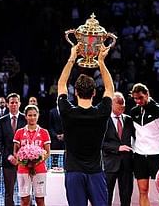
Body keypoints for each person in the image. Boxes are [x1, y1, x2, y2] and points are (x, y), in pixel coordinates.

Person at [57, 43, 114, 206]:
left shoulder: (67, 111)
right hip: (96, 172)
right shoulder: (102, 112)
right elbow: (110, 88)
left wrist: (72, 58)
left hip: (73, 172)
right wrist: (101, 62)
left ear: (74, 92)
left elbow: (61, 85)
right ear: (95, 93)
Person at [130, 83, 159, 206]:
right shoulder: (133, 112)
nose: (138, 101)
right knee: (142, 191)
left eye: (140, 98)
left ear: (147, 94)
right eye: (135, 98)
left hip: (157, 156)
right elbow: (134, 135)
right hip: (140, 157)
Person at [13, 104, 51, 206]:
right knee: (25, 200)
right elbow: (15, 152)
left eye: (34, 115)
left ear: (38, 115)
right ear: (25, 116)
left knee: (40, 200)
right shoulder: (19, 132)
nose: (32, 117)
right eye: (30, 115)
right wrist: (25, 163)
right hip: (23, 170)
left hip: (39, 170)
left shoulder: (44, 132)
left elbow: (47, 152)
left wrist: (35, 162)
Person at [102, 92, 134, 206]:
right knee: (107, 196)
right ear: (111, 104)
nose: (122, 105)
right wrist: (117, 148)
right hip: (110, 164)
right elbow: (101, 143)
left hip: (127, 164)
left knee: (126, 197)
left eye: (123, 102)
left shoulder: (129, 120)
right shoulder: (104, 121)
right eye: (119, 103)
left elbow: (137, 138)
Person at [0, 93, 27, 206]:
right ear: (8, 105)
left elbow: (29, 139)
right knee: (9, 192)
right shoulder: (1, 121)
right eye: (11, 102)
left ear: (20, 104)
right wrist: (9, 156)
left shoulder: (26, 119)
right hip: (8, 162)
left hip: (25, 162)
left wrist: (21, 156)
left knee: (27, 192)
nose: (14, 104)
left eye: (16, 102)